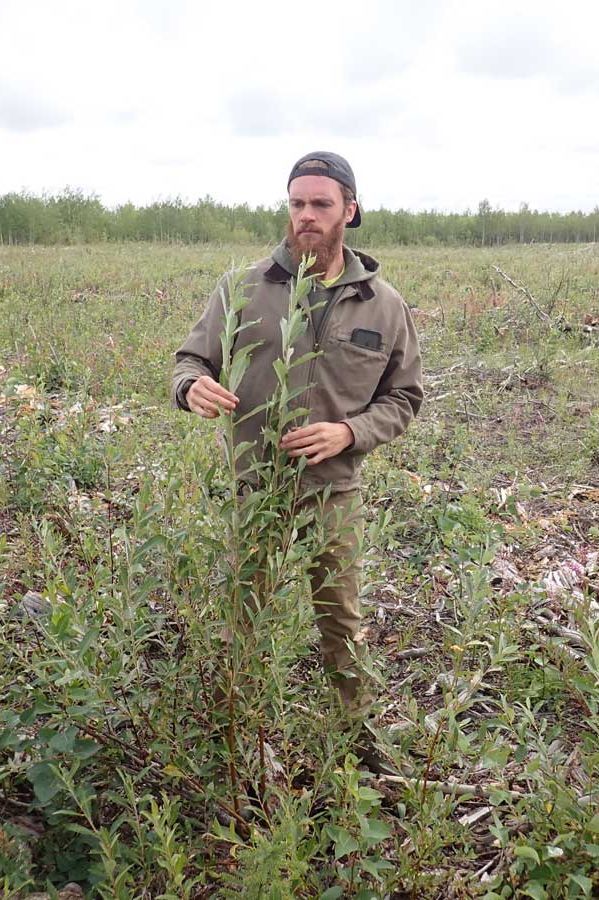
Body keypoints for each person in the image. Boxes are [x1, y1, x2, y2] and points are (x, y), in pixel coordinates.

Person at [170, 151, 423, 771]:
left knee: (341, 621)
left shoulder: (383, 305)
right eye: (297, 203)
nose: (306, 215)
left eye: (321, 204)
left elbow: (404, 397)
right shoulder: (244, 288)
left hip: (333, 492)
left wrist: (350, 432)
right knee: (242, 617)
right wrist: (190, 386)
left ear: (350, 211)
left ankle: (357, 741)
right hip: (256, 488)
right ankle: (235, 737)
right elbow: (191, 359)